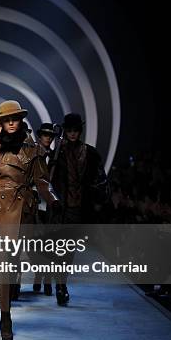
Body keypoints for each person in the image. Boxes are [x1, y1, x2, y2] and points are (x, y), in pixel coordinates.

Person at [0, 100, 59, 340]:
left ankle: (8, 297)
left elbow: (42, 181)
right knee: (2, 262)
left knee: (13, 263)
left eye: (15, 118)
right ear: (0, 123)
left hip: (22, 209)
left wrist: (52, 199)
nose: (11, 123)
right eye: (6, 119)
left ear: (20, 121)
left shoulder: (32, 150)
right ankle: (5, 316)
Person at [48, 113, 109, 306]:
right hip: (60, 207)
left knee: (68, 250)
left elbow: (101, 180)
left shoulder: (90, 153)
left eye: (75, 131)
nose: (72, 134)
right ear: (65, 131)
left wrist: (98, 201)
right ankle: (60, 285)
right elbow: (47, 181)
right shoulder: (57, 153)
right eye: (70, 131)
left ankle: (61, 284)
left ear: (80, 132)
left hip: (79, 208)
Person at [32, 122, 58, 296]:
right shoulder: (32, 153)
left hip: (51, 204)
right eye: (45, 135)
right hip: (35, 202)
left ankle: (47, 279)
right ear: (39, 136)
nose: (47, 138)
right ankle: (39, 276)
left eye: (50, 136)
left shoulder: (56, 155)